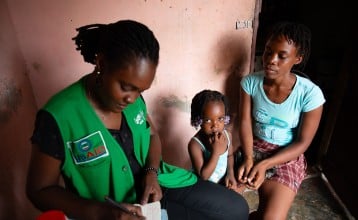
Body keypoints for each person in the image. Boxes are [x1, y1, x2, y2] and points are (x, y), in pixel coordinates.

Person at [26, 19, 249, 220]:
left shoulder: (134, 100)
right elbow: (39, 190)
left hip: (157, 184)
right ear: (101, 64)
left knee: (237, 210)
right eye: (126, 87)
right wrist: (101, 212)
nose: (132, 98)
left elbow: (152, 135)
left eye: (140, 90)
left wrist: (152, 173)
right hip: (114, 208)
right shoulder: (58, 117)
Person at [237, 21, 325, 220]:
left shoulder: (310, 94)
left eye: (281, 56)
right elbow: (244, 123)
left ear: (297, 58)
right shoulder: (250, 83)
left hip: (286, 156)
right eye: (268, 52)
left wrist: (265, 164)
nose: (271, 60)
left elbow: (302, 143)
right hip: (253, 147)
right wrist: (249, 159)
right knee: (225, 205)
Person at [188, 89, 240, 192]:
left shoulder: (227, 135)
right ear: (198, 120)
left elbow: (229, 156)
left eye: (220, 118)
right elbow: (204, 176)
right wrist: (215, 152)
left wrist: (230, 174)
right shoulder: (195, 145)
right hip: (202, 187)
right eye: (208, 120)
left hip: (221, 183)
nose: (215, 125)